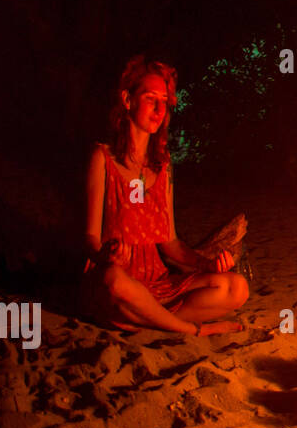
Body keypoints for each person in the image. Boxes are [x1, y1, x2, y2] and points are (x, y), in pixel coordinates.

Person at [82, 54, 248, 337]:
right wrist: (105, 255)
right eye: (150, 98)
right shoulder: (103, 158)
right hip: (119, 281)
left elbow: (170, 243)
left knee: (236, 287)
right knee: (114, 281)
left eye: (164, 101)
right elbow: (89, 237)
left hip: (158, 283)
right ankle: (190, 329)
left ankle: (146, 319)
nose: (160, 109)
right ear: (127, 99)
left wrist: (208, 264)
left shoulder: (163, 165)